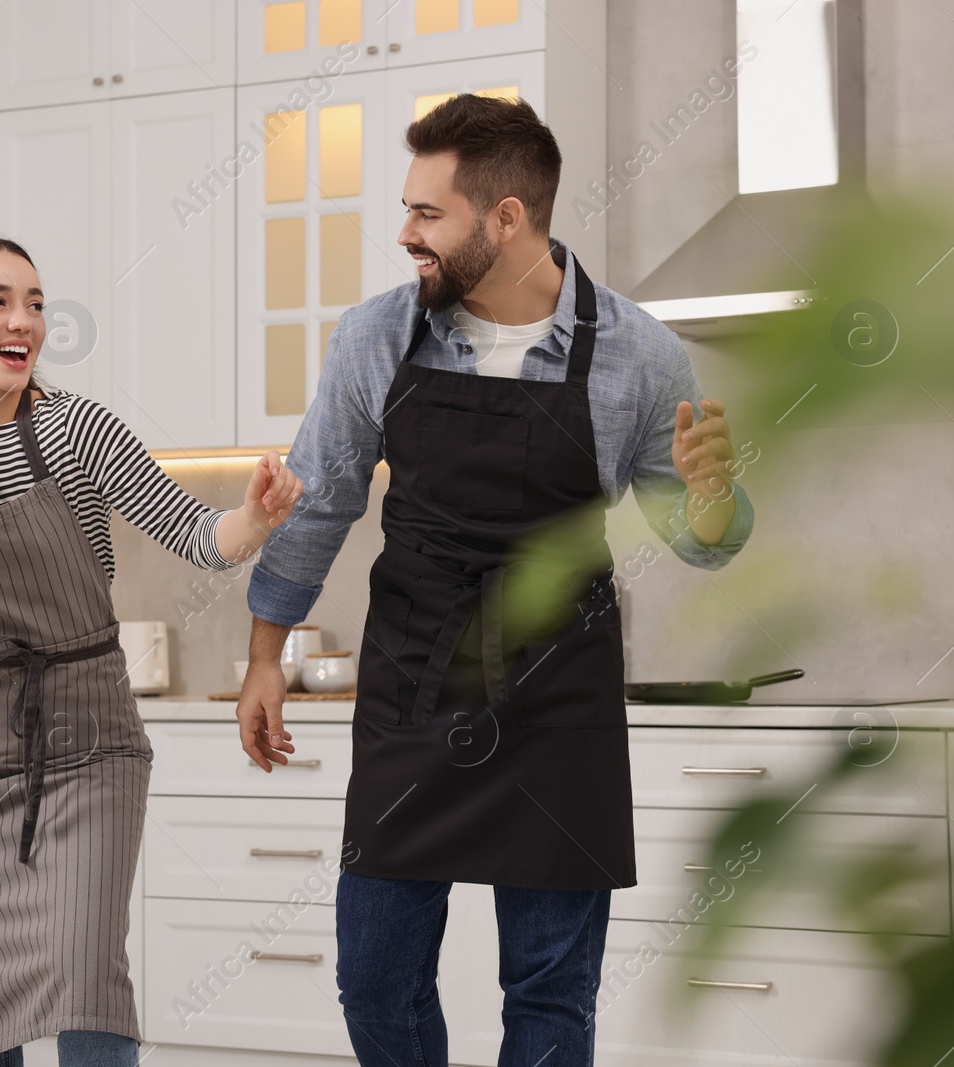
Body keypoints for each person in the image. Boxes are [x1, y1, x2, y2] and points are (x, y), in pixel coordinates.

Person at [234, 94, 755, 1066]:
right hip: (413, 683)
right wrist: (264, 651)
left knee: (550, 995)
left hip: (560, 697)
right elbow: (317, 504)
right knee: (374, 975)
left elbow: (701, 537)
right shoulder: (375, 335)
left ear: (505, 218)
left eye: (427, 215)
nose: (404, 235)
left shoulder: (639, 354)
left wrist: (714, 497)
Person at [0, 234, 302, 1067]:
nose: (24, 319)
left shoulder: (74, 431)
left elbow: (201, 537)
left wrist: (258, 519)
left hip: (88, 734)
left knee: (85, 968)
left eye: (34, 302)